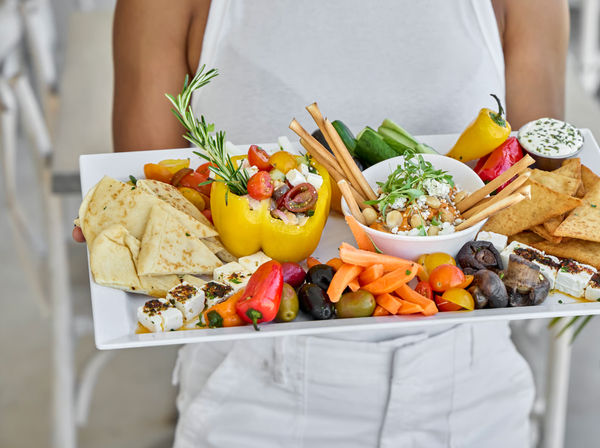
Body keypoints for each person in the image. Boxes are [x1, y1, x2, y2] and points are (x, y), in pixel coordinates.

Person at [75, 0, 569, 446]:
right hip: (252, 394)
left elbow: (543, 189)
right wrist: (119, 228)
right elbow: (150, 195)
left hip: (470, 388)